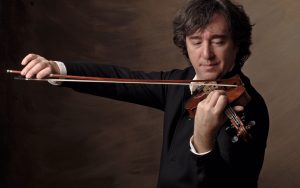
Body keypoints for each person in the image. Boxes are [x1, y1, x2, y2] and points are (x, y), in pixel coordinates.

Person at [19, 0, 269, 187]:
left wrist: (204, 142)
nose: (206, 54)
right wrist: (57, 69)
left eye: (218, 41)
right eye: (196, 41)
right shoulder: (180, 83)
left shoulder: (249, 107)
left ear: (237, 44)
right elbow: (119, 81)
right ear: (185, 44)